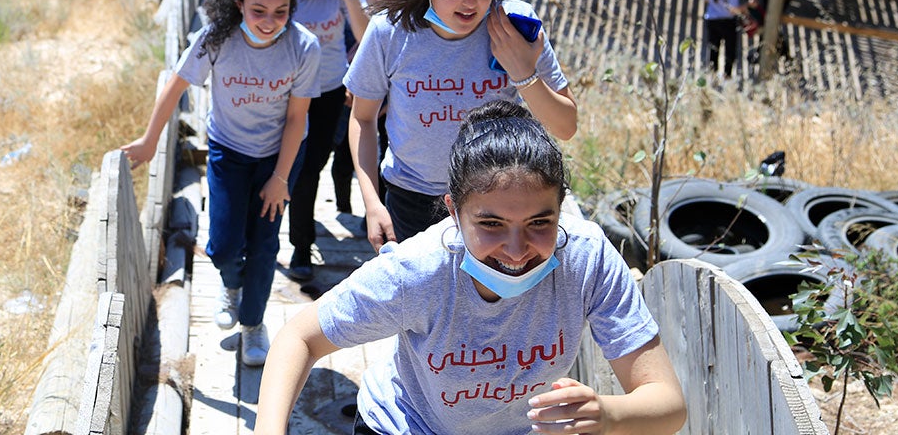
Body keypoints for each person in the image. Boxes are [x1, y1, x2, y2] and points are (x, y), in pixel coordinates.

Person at [253, 100, 687, 435]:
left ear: (561, 212)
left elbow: (668, 405)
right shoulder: (417, 272)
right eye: (491, 224)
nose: (517, 250)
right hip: (405, 425)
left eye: (540, 222)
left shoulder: (585, 259)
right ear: (453, 213)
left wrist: (606, 414)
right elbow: (300, 337)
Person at [121, 0, 322, 366]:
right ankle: (230, 285)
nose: (269, 21)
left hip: (277, 156)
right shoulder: (215, 38)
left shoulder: (303, 47)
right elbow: (176, 85)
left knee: (265, 244)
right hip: (228, 152)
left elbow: (297, 119)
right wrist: (148, 140)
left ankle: (252, 326)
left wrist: (281, 177)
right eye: (258, 11)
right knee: (223, 246)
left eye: (280, 12)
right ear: (239, 5)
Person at [345, 0, 577, 252]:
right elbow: (363, 118)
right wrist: (372, 203)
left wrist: (523, 74)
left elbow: (566, 125)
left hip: (497, 201)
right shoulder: (389, 31)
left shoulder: (515, 26)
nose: (472, 1)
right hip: (412, 201)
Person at [277, 0, 371, 282]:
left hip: (330, 89)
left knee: (310, 167)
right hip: (286, 92)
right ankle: (292, 241)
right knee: (290, 170)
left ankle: (301, 245)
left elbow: (366, 35)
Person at [330, 0, 403, 217]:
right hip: (352, 101)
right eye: (376, 4)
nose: (384, 13)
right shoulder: (352, 21)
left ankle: (374, 213)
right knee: (344, 155)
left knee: (385, 159)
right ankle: (343, 206)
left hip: (389, 106)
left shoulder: (402, 29)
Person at [701, 0, 745, 78]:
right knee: (730, 52)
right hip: (728, 23)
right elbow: (733, 10)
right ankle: (727, 77)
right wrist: (747, 6)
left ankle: (712, 76)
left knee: (714, 50)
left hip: (712, 21)